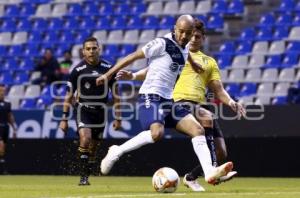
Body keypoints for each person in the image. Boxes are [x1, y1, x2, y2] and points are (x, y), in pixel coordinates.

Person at [96, 15, 234, 185]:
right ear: (174, 28)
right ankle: (117, 151)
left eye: (188, 33)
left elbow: (183, 53)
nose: (184, 36)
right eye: (181, 32)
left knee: (198, 130)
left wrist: (195, 64)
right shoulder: (161, 44)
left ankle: (209, 172)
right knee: (157, 133)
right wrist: (107, 75)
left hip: (169, 100)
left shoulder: (184, 47)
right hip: (150, 96)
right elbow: (132, 57)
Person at [59, 37, 122, 186]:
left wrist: (118, 117)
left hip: (100, 112)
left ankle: (88, 169)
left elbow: (116, 95)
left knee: (93, 147)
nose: (91, 51)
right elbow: (68, 96)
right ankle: (83, 177)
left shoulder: (109, 69)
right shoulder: (77, 71)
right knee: (85, 139)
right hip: (83, 110)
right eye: (88, 49)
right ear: (83, 52)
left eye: (94, 48)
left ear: (99, 49)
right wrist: (64, 119)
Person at [0, 84, 17, 174]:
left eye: (3, 91)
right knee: (1, 146)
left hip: (5, 127)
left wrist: (14, 128)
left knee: (3, 149)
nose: (2, 93)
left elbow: (9, 116)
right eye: (0, 91)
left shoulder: (7, 104)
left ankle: (2, 169)